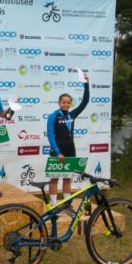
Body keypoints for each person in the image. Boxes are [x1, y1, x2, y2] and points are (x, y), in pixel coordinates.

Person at [46, 75, 90, 208]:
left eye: (68, 102)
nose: (66, 104)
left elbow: (85, 102)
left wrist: (86, 84)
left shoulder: (72, 114)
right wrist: (57, 152)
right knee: (54, 179)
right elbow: (50, 135)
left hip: (70, 150)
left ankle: (67, 204)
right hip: (57, 151)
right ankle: (53, 205)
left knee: (67, 178)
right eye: (63, 102)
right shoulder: (53, 116)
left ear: (70, 104)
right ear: (59, 103)